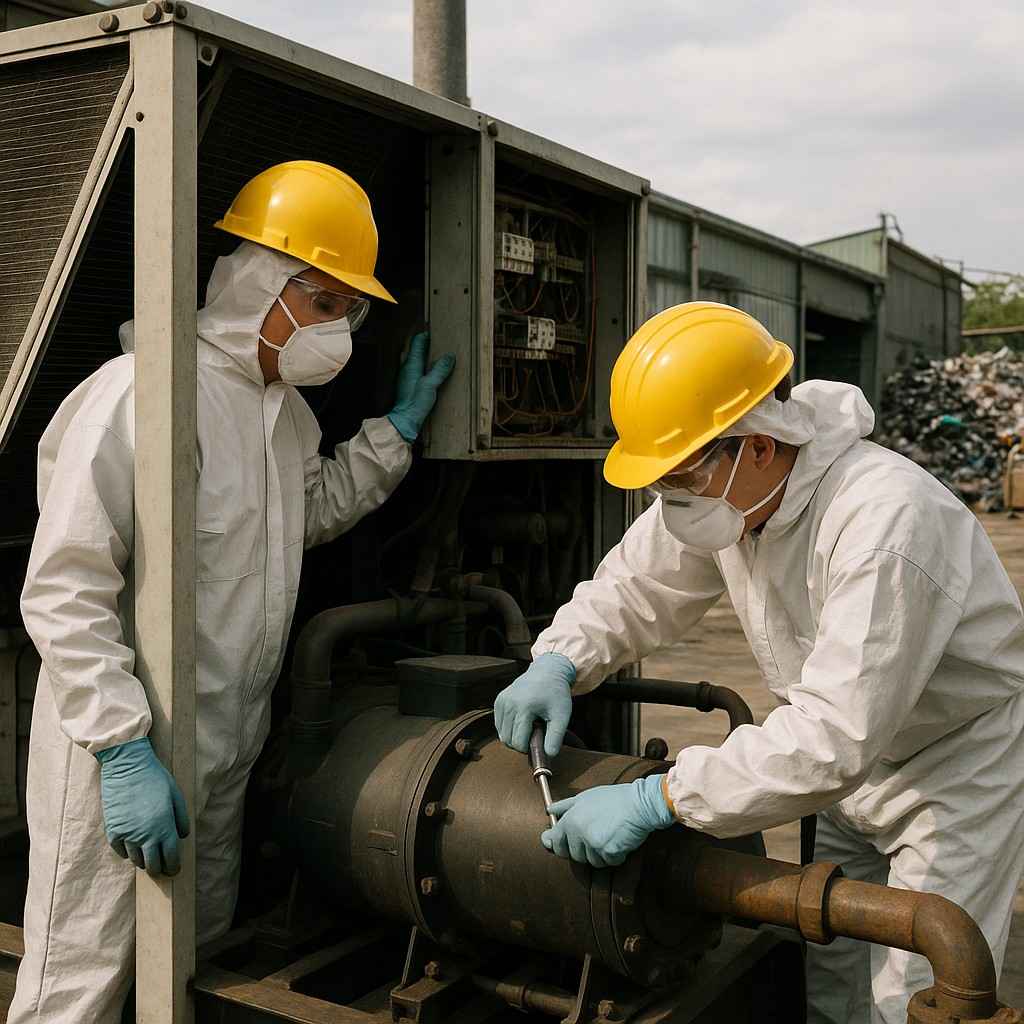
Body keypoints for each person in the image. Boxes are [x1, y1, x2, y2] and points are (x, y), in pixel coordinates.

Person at [9, 160, 455, 1024]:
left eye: (350, 311)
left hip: (224, 749)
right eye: (325, 303)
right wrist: (120, 748)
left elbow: (304, 512)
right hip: (121, 755)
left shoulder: (280, 409)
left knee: (186, 971)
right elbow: (65, 586)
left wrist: (390, 438)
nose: (341, 330)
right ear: (262, 283)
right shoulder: (142, 393)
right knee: (78, 987)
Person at [494, 301, 1024, 1024]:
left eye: (680, 478)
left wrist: (665, 799)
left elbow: (833, 736)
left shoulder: (886, 522)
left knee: (918, 997)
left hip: (951, 773)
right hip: (851, 780)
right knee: (835, 980)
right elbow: (637, 584)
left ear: (759, 446)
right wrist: (558, 659)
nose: (670, 501)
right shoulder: (730, 489)